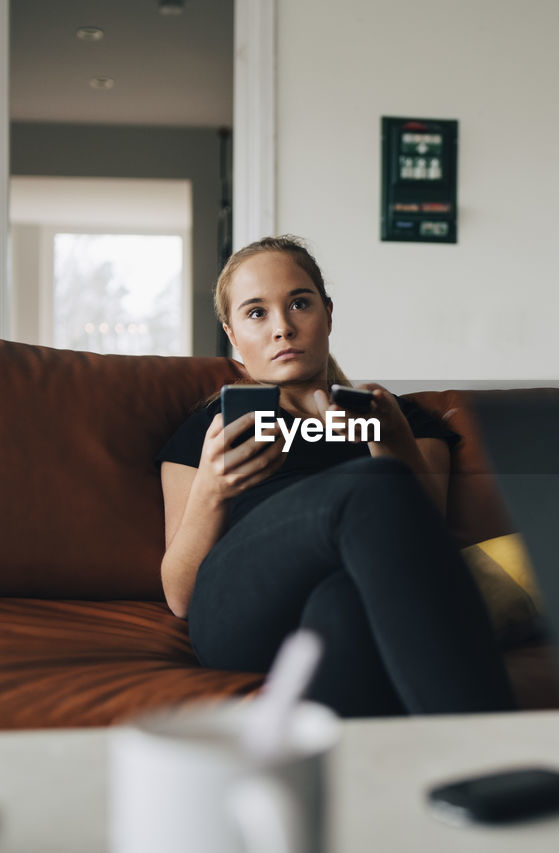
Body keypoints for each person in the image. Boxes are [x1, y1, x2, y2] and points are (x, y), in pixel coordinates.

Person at [156, 235, 517, 717]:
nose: (282, 328)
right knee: (367, 488)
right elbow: (180, 598)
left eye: (299, 304)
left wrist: (392, 441)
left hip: (345, 601)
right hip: (238, 611)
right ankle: (489, 744)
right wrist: (211, 490)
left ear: (327, 314)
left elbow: (420, 555)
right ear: (232, 334)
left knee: (346, 606)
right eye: (256, 313)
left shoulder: (399, 421)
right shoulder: (209, 431)